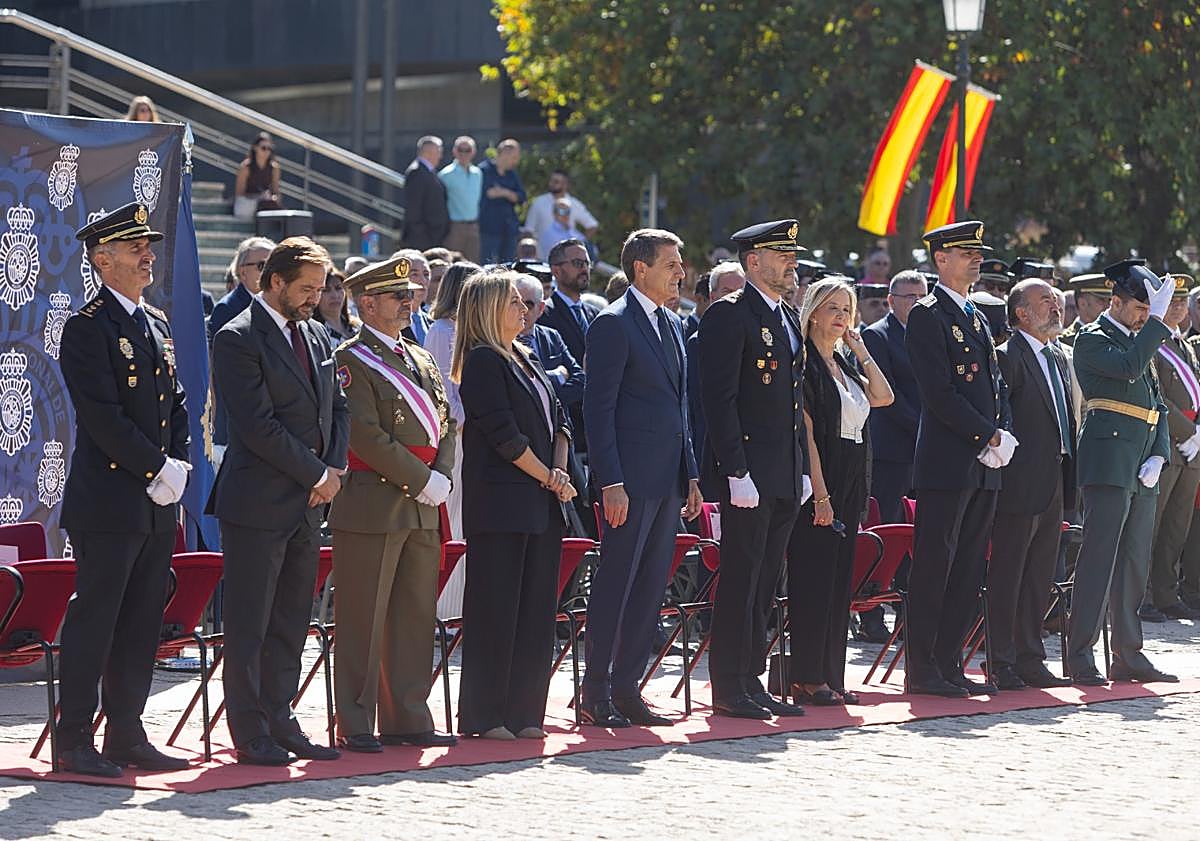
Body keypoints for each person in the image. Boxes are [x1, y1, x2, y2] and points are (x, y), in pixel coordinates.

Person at [54, 203, 190, 777]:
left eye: (148, 247)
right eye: (136, 249)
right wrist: (157, 468)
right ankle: (74, 739)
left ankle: (126, 733)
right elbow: (104, 419)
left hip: (154, 503)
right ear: (101, 259)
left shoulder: (154, 323)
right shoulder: (87, 327)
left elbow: (175, 404)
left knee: (140, 623)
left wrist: (177, 464)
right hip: (110, 501)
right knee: (98, 621)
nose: (148, 256)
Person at [208, 236, 350, 765]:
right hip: (257, 502)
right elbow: (257, 426)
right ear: (275, 282)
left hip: (309, 501)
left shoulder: (317, 335)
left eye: (319, 287)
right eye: (307, 288)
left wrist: (332, 469)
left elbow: (338, 408)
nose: (316, 298)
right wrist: (317, 471)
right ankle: (249, 729)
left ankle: (281, 715)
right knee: (251, 622)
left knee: (292, 618)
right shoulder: (236, 336)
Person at [329, 256, 458, 753]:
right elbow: (363, 435)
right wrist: (422, 478)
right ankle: (357, 721)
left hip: (425, 502)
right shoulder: (351, 359)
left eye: (410, 295)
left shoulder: (419, 357)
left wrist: (442, 476)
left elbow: (444, 423)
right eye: (397, 296)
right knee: (364, 618)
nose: (410, 303)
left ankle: (408, 715)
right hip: (374, 504)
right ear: (367, 303)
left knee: (413, 614)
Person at [580, 228, 702, 727]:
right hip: (628, 482)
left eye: (681, 263)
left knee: (652, 586)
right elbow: (598, 408)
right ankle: (596, 690)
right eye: (671, 264)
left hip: (666, 480)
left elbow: (680, 407)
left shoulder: (672, 324)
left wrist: (691, 474)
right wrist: (610, 480)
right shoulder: (613, 324)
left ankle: (628, 687)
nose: (681, 272)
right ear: (640, 269)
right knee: (616, 584)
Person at [453, 270, 576, 740]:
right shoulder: (485, 361)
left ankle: (525, 712)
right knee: (496, 609)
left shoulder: (525, 356)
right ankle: (486, 715)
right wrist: (549, 477)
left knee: (535, 610)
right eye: (512, 302)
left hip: (542, 501)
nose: (523, 310)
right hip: (503, 503)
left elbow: (559, 420)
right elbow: (505, 435)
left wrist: (558, 472)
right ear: (487, 309)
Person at [698, 219, 811, 719]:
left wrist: (802, 468)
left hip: (782, 470)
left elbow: (791, 403)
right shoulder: (729, 315)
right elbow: (719, 402)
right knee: (742, 578)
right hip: (748, 473)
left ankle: (753, 678)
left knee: (767, 581)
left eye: (791, 255)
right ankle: (729, 685)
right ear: (752, 262)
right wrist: (734, 471)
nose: (791, 263)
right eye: (780, 254)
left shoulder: (786, 316)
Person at [904, 221, 1013, 698]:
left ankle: (949, 661)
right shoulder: (929, 314)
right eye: (965, 253)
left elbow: (995, 386)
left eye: (977, 253)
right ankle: (923, 666)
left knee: (968, 567)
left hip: (982, 462)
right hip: (949, 461)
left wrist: (1001, 430)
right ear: (940, 258)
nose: (975, 260)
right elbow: (940, 393)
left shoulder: (976, 314)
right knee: (936, 566)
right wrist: (987, 433)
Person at [1066, 258, 1177, 685]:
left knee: (1134, 562)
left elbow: (1158, 405)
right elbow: (1128, 368)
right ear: (1115, 301)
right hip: (1108, 461)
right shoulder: (1093, 338)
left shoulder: (1138, 340)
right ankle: (1080, 654)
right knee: (1099, 560)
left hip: (1141, 464)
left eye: (1149, 311)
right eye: (1139, 308)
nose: (1145, 316)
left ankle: (1128, 653)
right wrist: (1156, 326)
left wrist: (1160, 454)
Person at [786, 277, 893, 706]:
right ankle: (807, 675)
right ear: (812, 312)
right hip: (822, 478)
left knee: (837, 584)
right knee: (814, 579)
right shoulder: (805, 363)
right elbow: (807, 432)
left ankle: (830, 673)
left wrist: (861, 348)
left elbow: (884, 397)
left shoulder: (847, 365)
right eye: (832, 308)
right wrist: (821, 495)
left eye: (847, 310)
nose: (840, 317)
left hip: (852, 477)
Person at [987, 279, 1077, 690]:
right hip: (1019, 482)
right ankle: (1001, 660)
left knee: (1040, 573)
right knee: (1010, 574)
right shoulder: (1008, 357)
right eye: (1045, 301)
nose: (1055, 306)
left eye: (1055, 300)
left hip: (1054, 479)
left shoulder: (1057, 356)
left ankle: (1030, 656)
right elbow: (1004, 420)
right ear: (1021, 312)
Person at [1142, 273, 1200, 621]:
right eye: (1173, 301)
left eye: (1182, 302)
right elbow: (1159, 395)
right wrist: (1187, 431)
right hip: (1169, 442)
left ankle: (1166, 591)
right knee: (1154, 523)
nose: (1179, 308)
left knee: (1177, 527)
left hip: (1192, 448)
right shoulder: (1155, 344)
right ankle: (1145, 593)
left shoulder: (1185, 346)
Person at [422, 261, 479, 544]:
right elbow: (443, 398)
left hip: (474, 440)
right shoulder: (442, 331)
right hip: (455, 443)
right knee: (456, 523)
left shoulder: (468, 331)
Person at [208, 237, 276, 467]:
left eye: (273, 264)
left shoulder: (278, 309)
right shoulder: (228, 309)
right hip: (237, 425)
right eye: (261, 266)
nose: (269, 272)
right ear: (241, 272)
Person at [685, 262, 746, 468]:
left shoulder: (754, 339)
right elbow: (698, 408)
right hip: (712, 454)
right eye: (727, 291)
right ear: (712, 297)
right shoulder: (699, 341)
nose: (734, 297)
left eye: (740, 291)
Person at [514, 274, 585, 422]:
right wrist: (556, 376)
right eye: (516, 302)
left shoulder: (552, 337)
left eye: (528, 304)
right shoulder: (500, 340)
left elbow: (580, 379)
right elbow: (517, 386)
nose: (522, 310)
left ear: (540, 308)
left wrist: (549, 402)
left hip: (558, 428)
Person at [479, 139, 526, 264]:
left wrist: (504, 192)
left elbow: (521, 197)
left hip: (509, 228)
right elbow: (488, 193)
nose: (516, 161)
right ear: (504, 153)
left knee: (508, 265)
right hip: (488, 228)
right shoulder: (484, 170)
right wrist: (510, 194)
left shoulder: (512, 174)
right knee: (487, 265)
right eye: (514, 157)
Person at [524, 169, 599, 246]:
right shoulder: (538, 202)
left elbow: (592, 225)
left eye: (556, 182)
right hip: (542, 256)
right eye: (551, 181)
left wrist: (580, 245)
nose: (551, 184)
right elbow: (528, 230)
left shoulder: (574, 204)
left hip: (566, 256)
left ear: (565, 184)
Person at [438, 135, 482, 261]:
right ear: (454, 151)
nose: (463, 153)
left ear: (473, 152)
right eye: (460, 150)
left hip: (473, 225)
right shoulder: (446, 174)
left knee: (473, 265)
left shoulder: (477, 173)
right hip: (454, 227)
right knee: (452, 263)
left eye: (467, 150)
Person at [402, 135, 449, 251]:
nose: (440, 156)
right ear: (428, 152)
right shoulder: (417, 172)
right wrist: (422, 234)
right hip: (422, 239)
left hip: (432, 235)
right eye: (438, 151)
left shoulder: (428, 171)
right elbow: (413, 208)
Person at [233, 132, 281, 220]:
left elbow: (276, 191)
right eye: (263, 148)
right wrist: (258, 197)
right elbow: (239, 193)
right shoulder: (245, 167)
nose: (267, 151)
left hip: (265, 204)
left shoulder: (274, 167)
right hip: (247, 203)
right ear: (255, 148)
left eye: (269, 148)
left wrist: (274, 198)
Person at [391, 249, 432, 346]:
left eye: (426, 274)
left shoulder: (433, 323)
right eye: (414, 274)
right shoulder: (388, 323)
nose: (422, 281)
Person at [1059, 273, 1112, 347]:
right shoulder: (1066, 340)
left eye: (1109, 300)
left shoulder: (1112, 335)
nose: (1108, 306)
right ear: (1082, 303)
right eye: (1101, 301)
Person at [313, 268, 358, 347]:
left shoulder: (358, 326)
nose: (335, 295)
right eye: (326, 290)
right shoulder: (313, 332)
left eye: (338, 288)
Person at [537, 197, 578, 261]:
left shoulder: (573, 232)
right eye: (562, 211)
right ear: (554, 213)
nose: (565, 215)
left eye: (568, 211)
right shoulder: (549, 234)